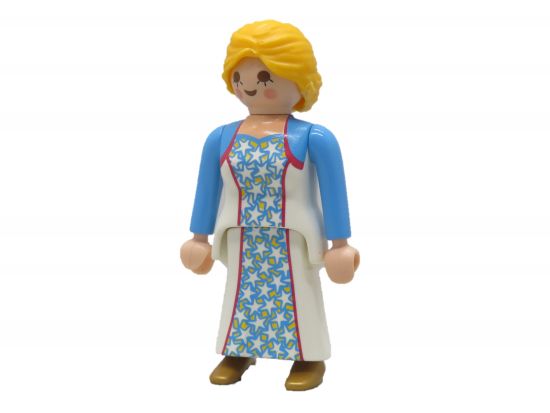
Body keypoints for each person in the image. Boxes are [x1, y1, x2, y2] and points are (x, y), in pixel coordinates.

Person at [180, 20, 359, 391]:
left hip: (293, 238)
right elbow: (207, 190)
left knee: (300, 296)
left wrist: (340, 244)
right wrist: (198, 237)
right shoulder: (221, 137)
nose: (250, 86)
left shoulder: (313, 138)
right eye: (239, 76)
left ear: (298, 79)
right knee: (239, 296)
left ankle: (307, 356)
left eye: (265, 76)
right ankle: (239, 349)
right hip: (241, 237)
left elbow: (333, 192)